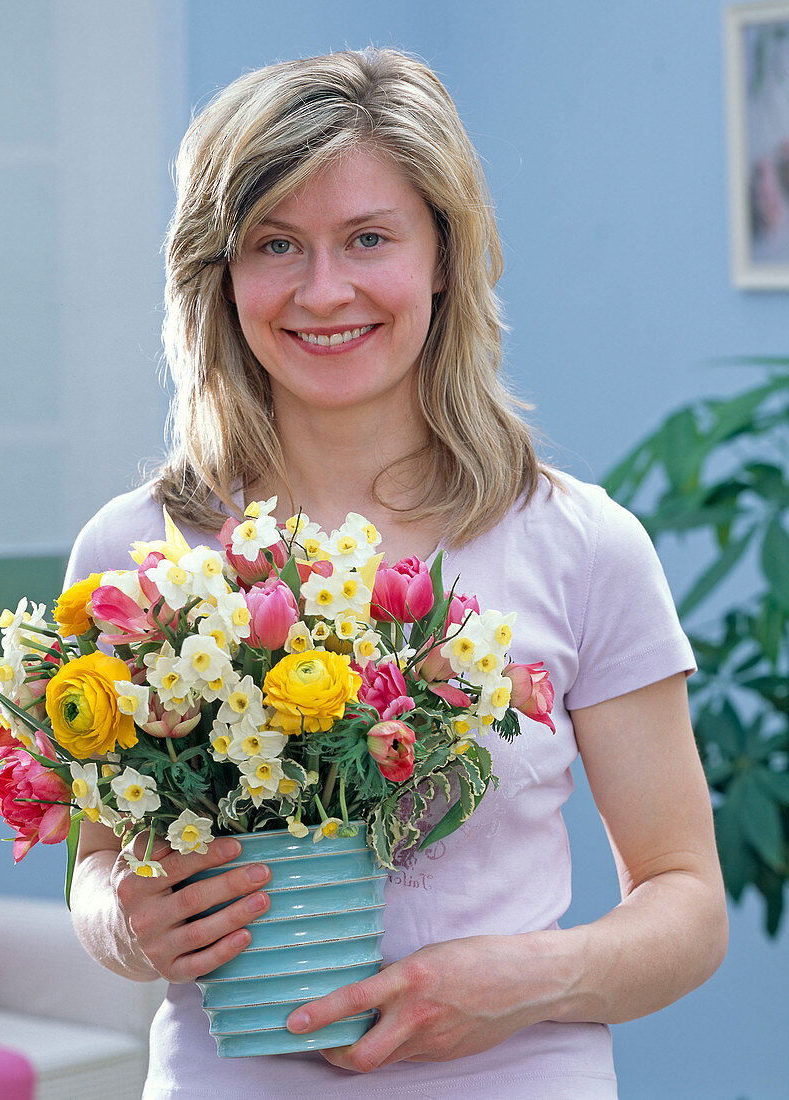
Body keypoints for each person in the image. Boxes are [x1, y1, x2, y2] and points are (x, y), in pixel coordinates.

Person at [66, 47, 728, 1099]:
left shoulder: (583, 543)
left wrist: (534, 975)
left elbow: (688, 901)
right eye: (276, 244)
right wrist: (127, 924)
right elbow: (99, 869)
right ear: (219, 274)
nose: (323, 290)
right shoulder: (131, 555)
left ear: (442, 258)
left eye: (367, 238)